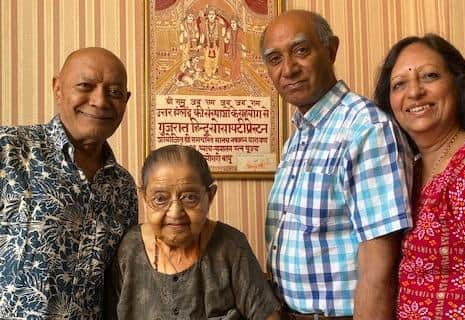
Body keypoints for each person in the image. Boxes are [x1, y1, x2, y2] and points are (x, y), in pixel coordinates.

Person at [261, 10, 412, 319]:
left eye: (301, 51)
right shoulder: (299, 137)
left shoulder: (365, 129)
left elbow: (378, 271)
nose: (288, 69)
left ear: (330, 50)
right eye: (274, 59)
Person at [0, 47, 138, 318]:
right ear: (58, 88)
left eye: (114, 92)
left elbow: (119, 284)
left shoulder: (123, 186)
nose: (100, 101)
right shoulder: (9, 149)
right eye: (85, 86)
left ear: (126, 101)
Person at [104, 144, 281, 319]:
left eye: (190, 197)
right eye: (160, 199)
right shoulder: (129, 248)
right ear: (144, 198)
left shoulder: (231, 245)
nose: (175, 212)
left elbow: (268, 315)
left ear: (210, 196)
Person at [374, 33, 465, 319]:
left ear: (458, 85)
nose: (415, 92)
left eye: (429, 76)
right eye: (399, 84)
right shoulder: (410, 168)